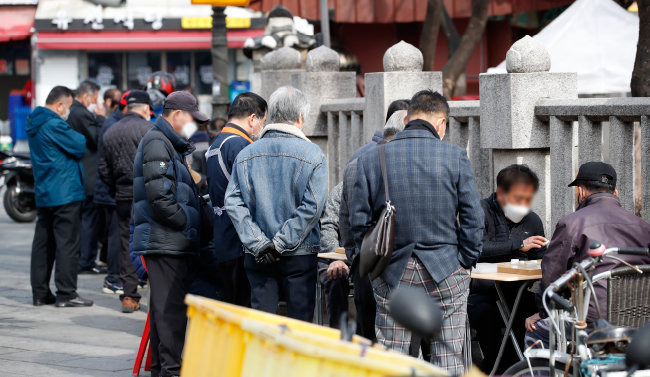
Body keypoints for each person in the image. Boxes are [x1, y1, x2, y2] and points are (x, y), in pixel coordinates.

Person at [349, 90, 483, 374]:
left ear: (407, 119)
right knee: (448, 356)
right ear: (442, 123)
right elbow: (473, 218)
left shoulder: (374, 158)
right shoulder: (455, 157)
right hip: (446, 268)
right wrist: (466, 261)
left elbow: (358, 221)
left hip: (392, 270)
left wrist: (372, 268)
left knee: (393, 357)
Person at [225, 86, 327, 321]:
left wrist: (259, 243)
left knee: (264, 326)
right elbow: (312, 208)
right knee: (299, 327)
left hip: (258, 254)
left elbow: (233, 202)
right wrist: (281, 242)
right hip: (299, 253)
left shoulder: (246, 154)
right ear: (300, 118)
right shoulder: (314, 155)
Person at [525, 162, 650, 348]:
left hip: (592, 321)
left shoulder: (572, 223)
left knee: (537, 331)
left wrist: (543, 313)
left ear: (581, 192)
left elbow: (552, 277)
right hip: (640, 320)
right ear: (615, 193)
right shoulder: (643, 227)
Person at [132, 90, 206, 376]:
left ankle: (165, 369)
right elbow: (160, 198)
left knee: (166, 311)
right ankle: (170, 371)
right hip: (165, 240)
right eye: (191, 119)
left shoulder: (169, 142)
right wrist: (188, 221)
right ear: (177, 115)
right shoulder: (157, 142)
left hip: (169, 239)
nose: (194, 126)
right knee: (169, 313)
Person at [468, 164, 547, 373]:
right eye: (518, 198)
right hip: (481, 292)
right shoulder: (479, 211)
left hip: (518, 292)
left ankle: (524, 367)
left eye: (528, 198)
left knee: (539, 312)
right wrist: (518, 245)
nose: (524, 205)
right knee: (483, 314)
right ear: (501, 193)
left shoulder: (532, 220)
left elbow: (541, 257)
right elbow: (475, 247)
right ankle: (495, 365)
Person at [27, 86, 93, 308]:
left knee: (43, 244)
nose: (69, 112)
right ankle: (66, 293)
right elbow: (79, 144)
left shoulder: (35, 122)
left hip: (45, 191)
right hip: (65, 192)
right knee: (67, 244)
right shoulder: (53, 123)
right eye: (69, 107)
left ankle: (40, 292)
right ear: (59, 105)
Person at [206, 92, 267, 307]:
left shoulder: (217, 142)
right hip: (239, 239)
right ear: (252, 119)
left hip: (224, 235)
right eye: (262, 121)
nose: (261, 128)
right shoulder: (240, 145)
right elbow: (253, 194)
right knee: (242, 305)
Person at [99, 90, 154, 313]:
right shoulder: (149, 130)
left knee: (126, 244)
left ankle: (129, 295)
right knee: (151, 240)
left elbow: (103, 168)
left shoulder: (110, 131)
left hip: (121, 194)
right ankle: (156, 287)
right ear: (144, 110)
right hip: (146, 195)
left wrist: (115, 187)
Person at [67, 80, 107, 275]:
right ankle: (85, 261)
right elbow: (97, 138)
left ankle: (85, 259)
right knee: (89, 221)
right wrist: (100, 118)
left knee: (86, 220)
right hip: (88, 174)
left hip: (83, 173)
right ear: (86, 97)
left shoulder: (75, 112)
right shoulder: (81, 113)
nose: (96, 102)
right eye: (95, 98)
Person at [93, 90, 131, 296]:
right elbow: (104, 165)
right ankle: (114, 278)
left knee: (115, 237)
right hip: (111, 193)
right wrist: (116, 187)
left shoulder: (113, 123)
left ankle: (116, 275)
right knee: (117, 237)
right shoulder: (113, 126)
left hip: (112, 191)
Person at [318, 182, 350, 328]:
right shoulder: (341, 190)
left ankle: (367, 338)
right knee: (335, 274)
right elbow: (328, 225)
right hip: (339, 254)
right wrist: (336, 258)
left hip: (368, 257)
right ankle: (338, 335)